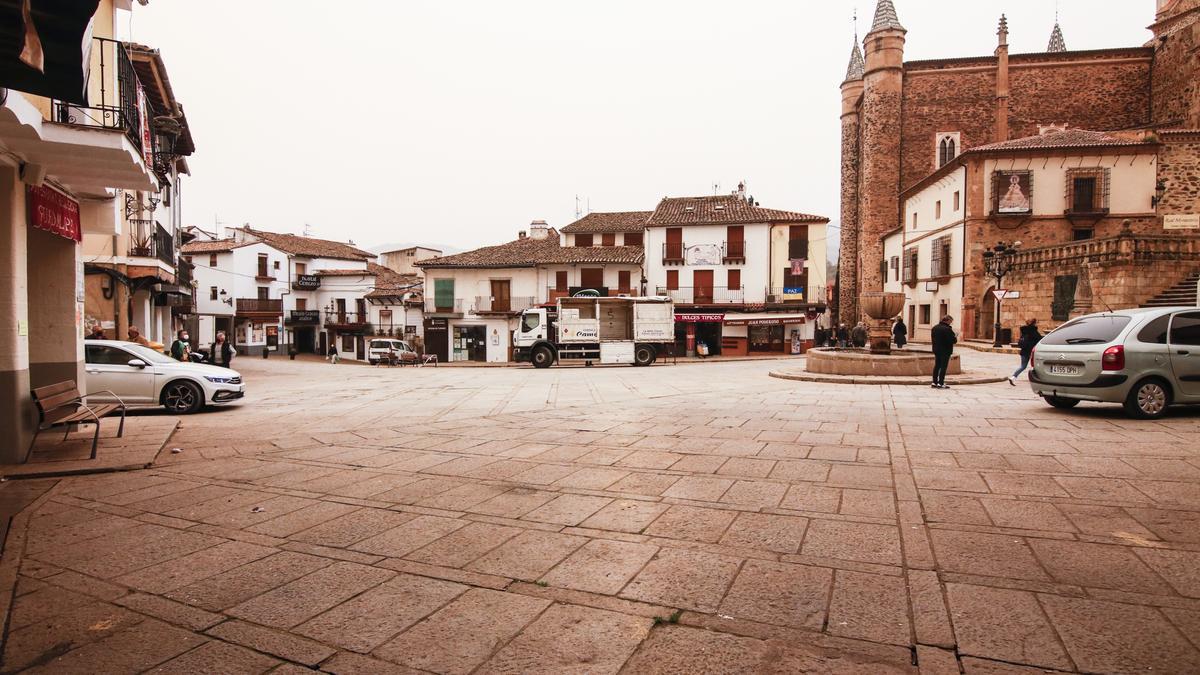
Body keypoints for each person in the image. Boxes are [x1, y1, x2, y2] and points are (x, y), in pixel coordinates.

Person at [1009, 318, 1042, 385]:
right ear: (1034, 323)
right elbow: (1040, 340)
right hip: (1031, 352)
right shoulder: (1034, 332)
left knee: (1023, 366)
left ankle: (1013, 377)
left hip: (1023, 351)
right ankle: (1037, 379)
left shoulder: (1024, 331)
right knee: (1036, 366)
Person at [930, 315, 957, 389]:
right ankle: (940, 383)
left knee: (937, 366)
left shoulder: (935, 328)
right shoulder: (947, 329)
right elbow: (952, 340)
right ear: (947, 320)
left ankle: (934, 382)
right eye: (951, 321)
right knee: (943, 367)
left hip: (936, 349)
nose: (951, 323)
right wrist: (955, 337)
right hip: (945, 350)